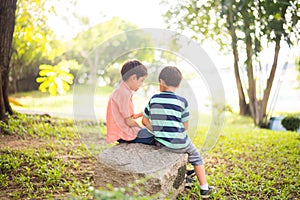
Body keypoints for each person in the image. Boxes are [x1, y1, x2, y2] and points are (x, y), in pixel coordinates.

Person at [142, 66, 214, 198]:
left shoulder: (154, 99)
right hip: (181, 143)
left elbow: (144, 121)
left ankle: (185, 176)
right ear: (179, 84)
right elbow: (185, 126)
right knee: (196, 157)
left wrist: (158, 130)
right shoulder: (182, 101)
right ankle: (204, 188)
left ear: (161, 81)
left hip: (162, 144)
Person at [106, 59, 155, 145]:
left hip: (120, 131)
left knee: (149, 134)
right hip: (124, 133)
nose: (141, 84)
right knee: (154, 136)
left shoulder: (121, 90)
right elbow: (129, 122)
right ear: (133, 78)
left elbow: (125, 116)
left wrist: (141, 114)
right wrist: (141, 128)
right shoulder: (124, 94)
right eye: (141, 80)